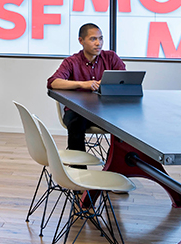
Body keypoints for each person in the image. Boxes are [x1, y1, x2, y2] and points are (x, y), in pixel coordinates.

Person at [47, 22, 126, 151]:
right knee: (76, 122)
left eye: (100, 38)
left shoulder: (111, 57)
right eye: (93, 39)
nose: (98, 43)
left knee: (128, 122)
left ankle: (120, 165)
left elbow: (124, 80)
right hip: (78, 111)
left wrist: (107, 82)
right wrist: (82, 84)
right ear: (81, 41)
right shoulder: (72, 62)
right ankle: (78, 169)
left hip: (105, 111)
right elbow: (53, 82)